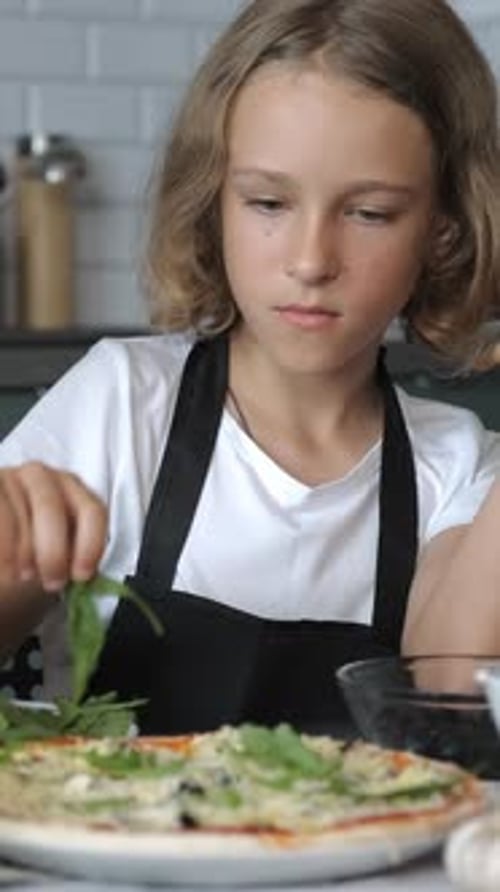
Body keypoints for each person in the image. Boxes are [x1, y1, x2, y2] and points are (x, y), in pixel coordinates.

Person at [0, 0, 499, 734]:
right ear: (214, 202)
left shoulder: (457, 466)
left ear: (444, 231)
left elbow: (449, 707)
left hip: (361, 851)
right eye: (268, 202)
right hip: (115, 842)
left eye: (370, 214)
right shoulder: (123, 402)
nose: (309, 261)